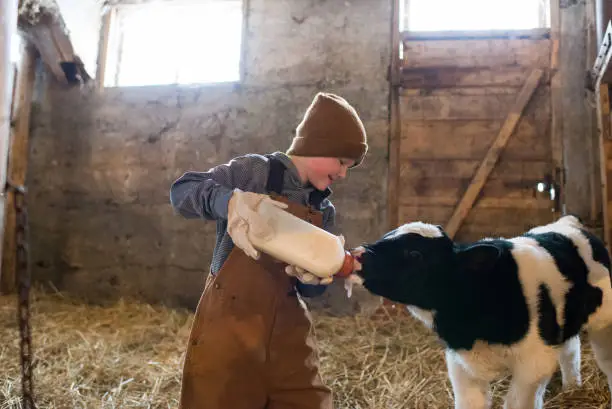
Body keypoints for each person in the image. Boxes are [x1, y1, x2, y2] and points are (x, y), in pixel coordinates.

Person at [169, 92, 368, 409]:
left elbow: (309, 290)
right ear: (318, 145)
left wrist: (314, 280)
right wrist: (230, 202)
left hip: (287, 325)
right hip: (231, 319)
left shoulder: (323, 208)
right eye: (342, 161)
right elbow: (182, 191)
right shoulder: (255, 172)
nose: (343, 173)